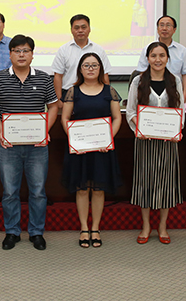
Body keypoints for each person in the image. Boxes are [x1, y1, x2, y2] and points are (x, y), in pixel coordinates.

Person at [0, 35, 58, 251]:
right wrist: (2, 131)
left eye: (26, 50)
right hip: (9, 146)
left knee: (38, 191)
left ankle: (36, 232)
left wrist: (45, 130)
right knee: (9, 191)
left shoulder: (44, 78)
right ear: (10, 54)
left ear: (32, 54)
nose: (21, 54)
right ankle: (12, 232)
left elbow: (53, 106)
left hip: (37, 146)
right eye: (17, 50)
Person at [61, 52, 122, 248]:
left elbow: (117, 118)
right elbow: (65, 118)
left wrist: (108, 138)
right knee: (81, 189)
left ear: (100, 69)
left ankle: (95, 228)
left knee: (98, 189)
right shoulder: (73, 91)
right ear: (80, 69)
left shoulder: (110, 91)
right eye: (86, 65)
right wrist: (74, 139)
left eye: (94, 65)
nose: (90, 69)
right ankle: (84, 228)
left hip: (102, 149)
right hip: (80, 149)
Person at [126, 42, 184, 245]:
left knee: (166, 183)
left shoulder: (175, 80)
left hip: (168, 142)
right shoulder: (138, 81)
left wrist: (177, 130)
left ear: (167, 58)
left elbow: (180, 110)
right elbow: (131, 111)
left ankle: (162, 226)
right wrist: (140, 128)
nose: (158, 60)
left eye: (161, 55)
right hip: (145, 141)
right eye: (153, 55)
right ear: (147, 58)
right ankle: (146, 226)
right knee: (145, 183)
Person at [52, 14, 112, 106]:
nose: (80, 30)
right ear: (71, 30)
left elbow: (104, 75)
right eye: (76, 28)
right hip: (68, 94)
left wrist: (106, 97)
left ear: (89, 29)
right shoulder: (63, 50)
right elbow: (58, 76)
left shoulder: (98, 50)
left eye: (83, 27)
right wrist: (59, 100)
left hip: (94, 94)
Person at [136, 15, 186, 101]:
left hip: (174, 93)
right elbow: (142, 72)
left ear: (174, 30)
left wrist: (184, 96)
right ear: (157, 29)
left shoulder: (182, 50)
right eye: (161, 25)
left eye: (168, 25)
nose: (164, 28)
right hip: (152, 93)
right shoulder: (147, 49)